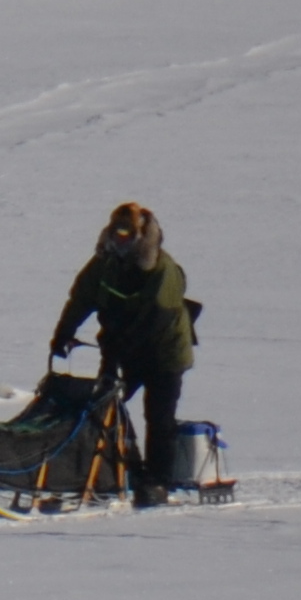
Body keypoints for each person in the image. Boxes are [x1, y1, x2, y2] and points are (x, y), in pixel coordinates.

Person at [49, 201, 201, 508]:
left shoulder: (161, 269)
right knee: (102, 409)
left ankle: (157, 482)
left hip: (165, 352)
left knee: (158, 417)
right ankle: (119, 471)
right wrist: (63, 334)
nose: (119, 240)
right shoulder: (103, 264)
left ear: (140, 235)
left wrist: (119, 353)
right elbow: (81, 298)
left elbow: (155, 319)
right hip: (123, 347)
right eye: (115, 232)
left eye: (126, 233)